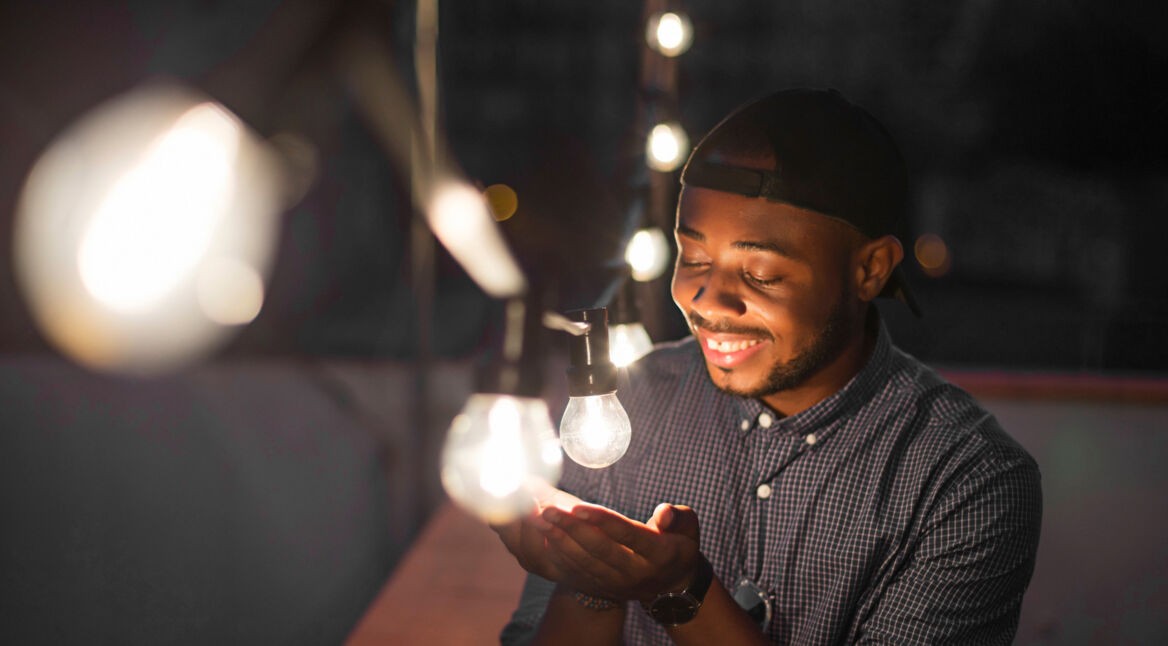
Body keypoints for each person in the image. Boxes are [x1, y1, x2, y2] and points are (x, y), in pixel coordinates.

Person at [494, 88, 1043, 645]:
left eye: (760, 273)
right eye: (695, 259)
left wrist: (680, 591)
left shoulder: (966, 482)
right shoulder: (621, 412)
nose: (709, 301)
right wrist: (593, 585)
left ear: (870, 269)